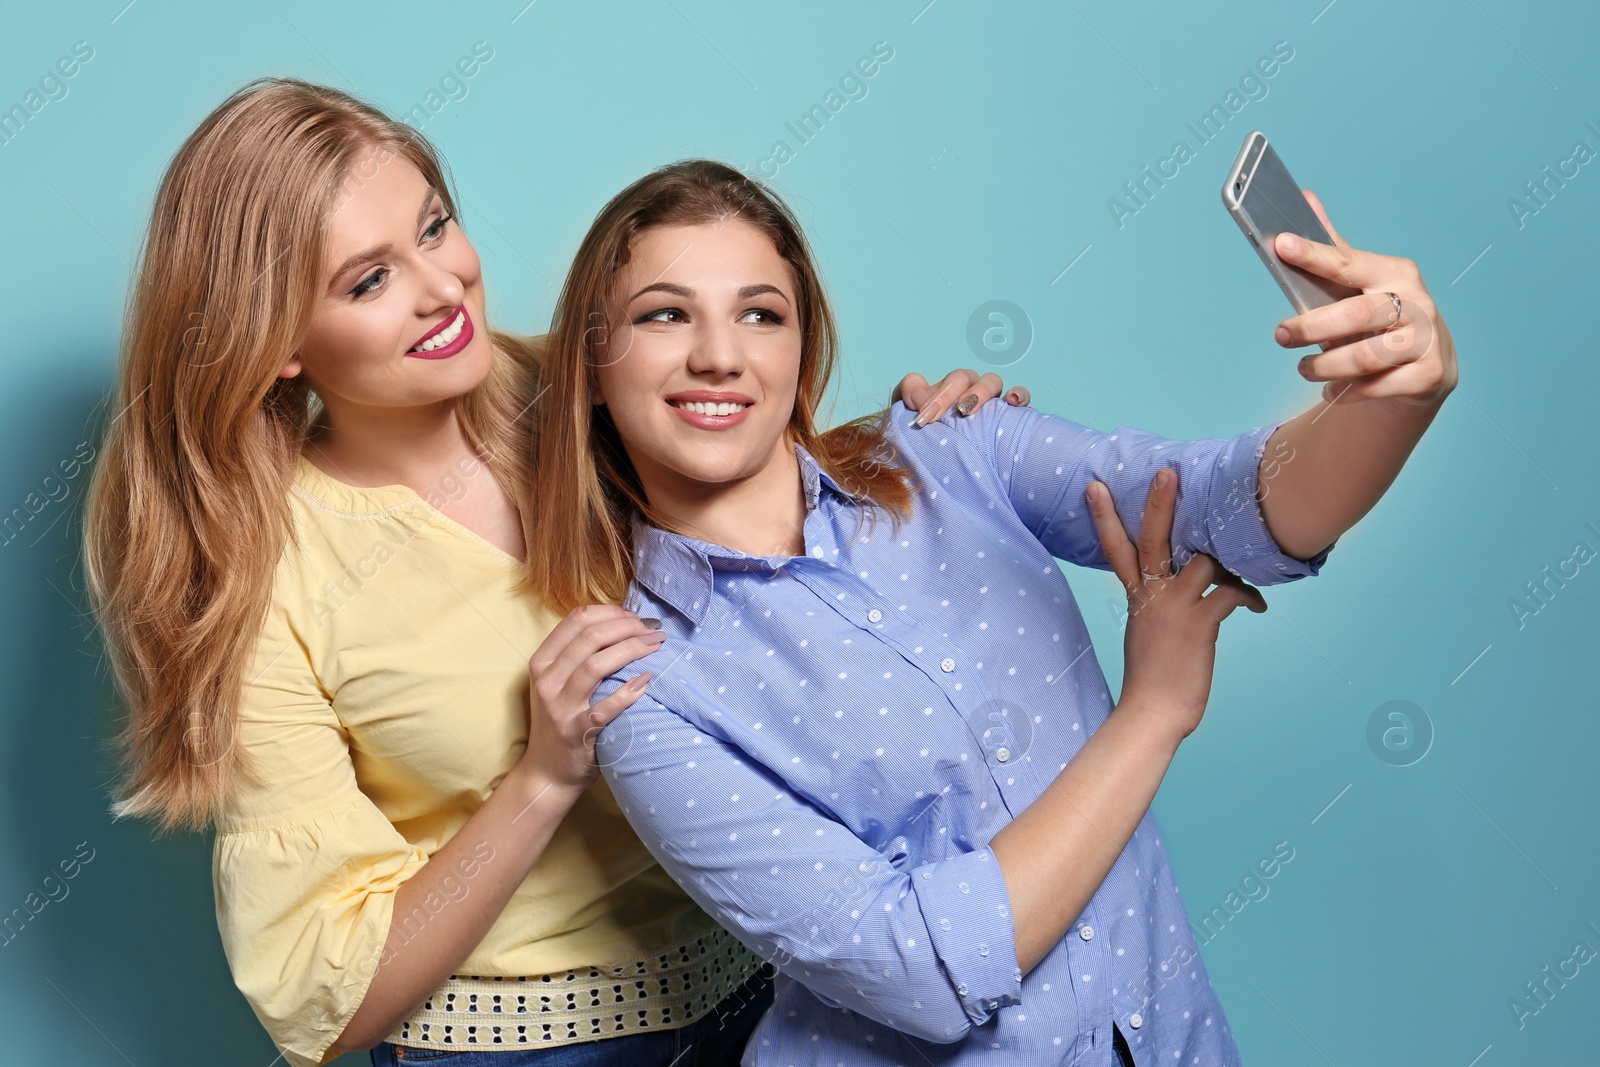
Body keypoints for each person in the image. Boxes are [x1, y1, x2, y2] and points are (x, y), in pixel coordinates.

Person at [81, 81, 1019, 1067]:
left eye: (434, 228)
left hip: (782, 994)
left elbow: (784, 508)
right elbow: (331, 997)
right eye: (367, 281)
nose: (441, 288)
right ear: (273, 343)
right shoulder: (268, 582)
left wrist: (933, 450)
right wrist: (541, 776)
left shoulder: (587, 386)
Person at [523, 159, 1455, 1064]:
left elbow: (1225, 506)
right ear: (595, 363)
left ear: (802, 344)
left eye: (759, 313)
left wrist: (1392, 399)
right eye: (664, 316)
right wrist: (1152, 715)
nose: (719, 355)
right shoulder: (644, 687)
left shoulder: (956, 449)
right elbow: (918, 967)